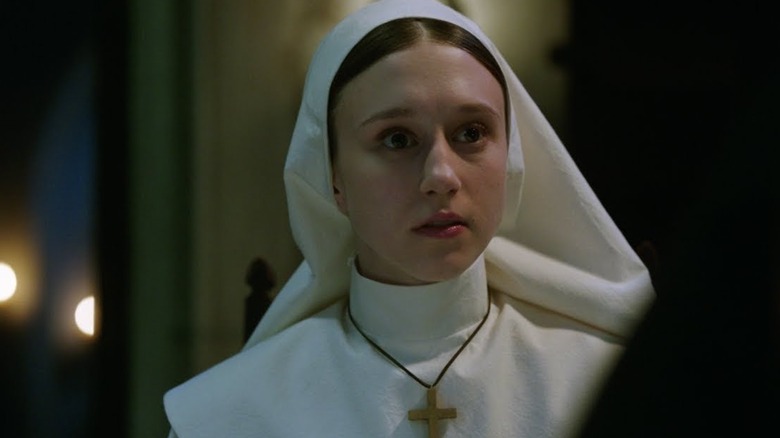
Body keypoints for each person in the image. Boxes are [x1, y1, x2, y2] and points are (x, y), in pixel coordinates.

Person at [164, 0, 654, 436]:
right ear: (332, 177)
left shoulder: (611, 383)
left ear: (512, 157)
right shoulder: (235, 415)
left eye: (471, 132)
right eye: (397, 139)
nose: (441, 175)